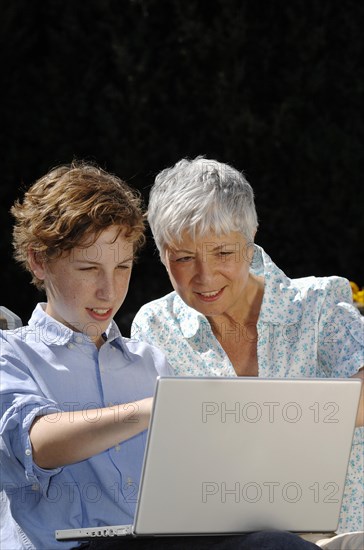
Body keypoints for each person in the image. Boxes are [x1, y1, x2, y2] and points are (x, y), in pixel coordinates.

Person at [0, 161, 319, 550]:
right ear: (38, 260)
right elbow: (37, 443)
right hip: (66, 546)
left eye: (122, 267)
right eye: (88, 268)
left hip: (158, 542)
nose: (109, 291)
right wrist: (156, 408)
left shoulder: (151, 362)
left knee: (278, 543)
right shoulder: (11, 353)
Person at [132, 156, 364, 538]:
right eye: (185, 258)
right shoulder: (156, 325)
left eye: (223, 253)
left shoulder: (317, 304)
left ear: (250, 238)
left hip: (338, 539)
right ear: (161, 254)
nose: (205, 277)